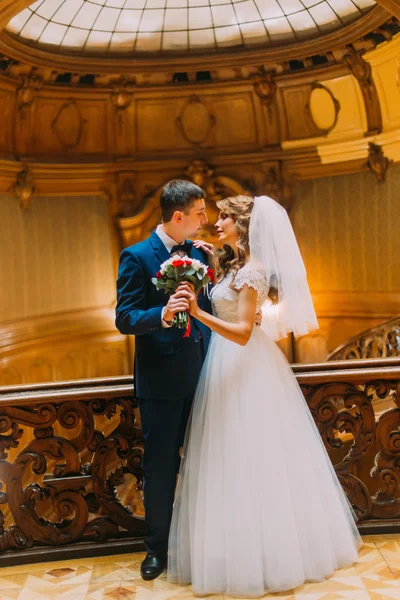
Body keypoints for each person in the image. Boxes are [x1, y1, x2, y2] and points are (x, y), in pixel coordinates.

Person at [168, 195, 362, 597]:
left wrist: (199, 312)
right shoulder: (237, 265)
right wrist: (212, 261)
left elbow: (241, 333)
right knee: (228, 457)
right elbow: (232, 296)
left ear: (244, 223)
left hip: (244, 363)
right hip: (222, 365)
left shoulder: (253, 270)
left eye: (224, 217)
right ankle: (234, 551)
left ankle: (271, 554)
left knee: (257, 455)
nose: (217, 223)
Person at [115, 180, 213, 581]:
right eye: (200, 213)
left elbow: (208, 309)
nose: (206, 220)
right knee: (160, 467)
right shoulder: (136, 257)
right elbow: (124, 317)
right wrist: (161, 315)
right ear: (179, 216)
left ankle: (205, 542)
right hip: (161, 384)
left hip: (205, 376)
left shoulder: (198, 254)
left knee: (209, 462)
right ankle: (157, 549)